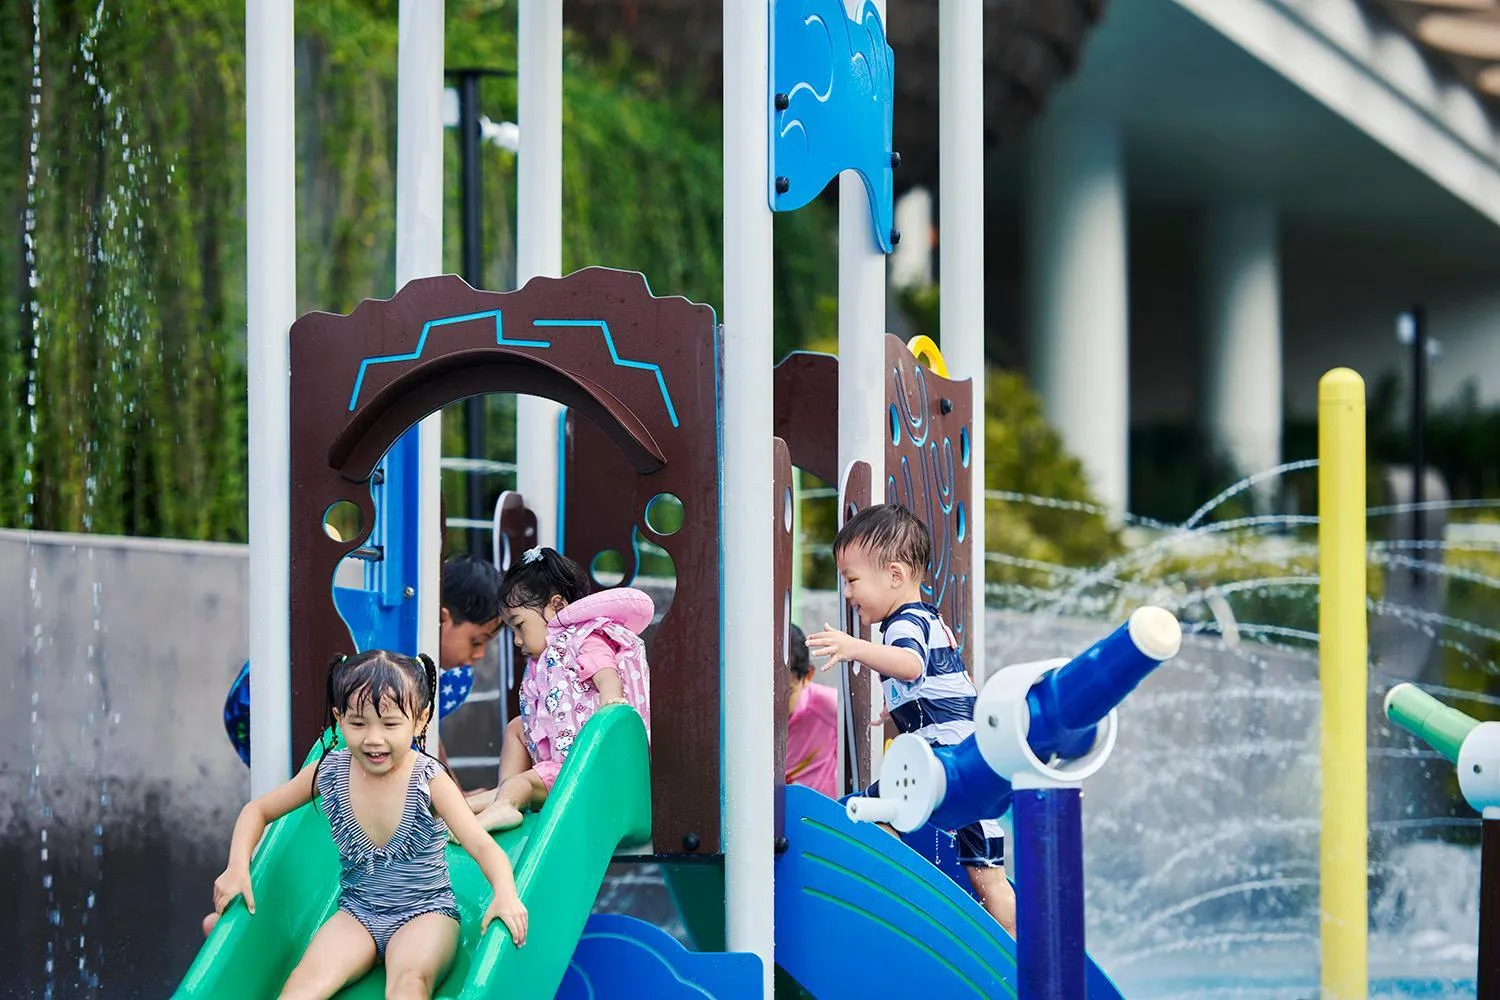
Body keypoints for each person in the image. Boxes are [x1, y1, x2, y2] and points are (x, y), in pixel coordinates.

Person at [204, 649, 528, 1000]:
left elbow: (481, 845)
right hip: (357, 912)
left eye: (390, 724)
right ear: (338, 719)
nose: (374, 738)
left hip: (425, 913)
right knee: (301, 986)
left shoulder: (429, 781)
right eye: (358, 723)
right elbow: (258, 810)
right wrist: (237, 867)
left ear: (421, 720)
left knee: (408, 985)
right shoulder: (328, 772)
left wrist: (506, 895)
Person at [807, 504, 1017, 936]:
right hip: (966, 760)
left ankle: (892, 906)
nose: (848, 593)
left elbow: (910, 664)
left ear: (896, 575)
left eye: (852, 580)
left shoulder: (905, 624)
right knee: (988, 876)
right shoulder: (931, 617)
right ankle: (1011, 957)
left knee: (868, 814)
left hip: (949, 761)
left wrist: (853, 646)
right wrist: (896, 707)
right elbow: (944, 682)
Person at [221, 555, 503, 767]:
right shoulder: (386, 655)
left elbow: (425, 736)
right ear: (442, 618)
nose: (478, 656)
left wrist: (455, 794)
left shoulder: (451, 676)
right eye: (476, 641)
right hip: (253, 708)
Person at [468, 547, 651, 832]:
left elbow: (605, 671)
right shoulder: (548, 657)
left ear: (557, 607)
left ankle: (506, 803)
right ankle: (502, 797)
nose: (517, 641)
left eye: (519, 626)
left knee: (522, 783)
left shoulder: (584, 638)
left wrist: (611, 700)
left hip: (584, 773)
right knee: (516, 728)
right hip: (557, 770)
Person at [785, 623, 838, 798]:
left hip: (818, 816)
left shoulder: (827, 706)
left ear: (808, 676)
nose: (775, 704)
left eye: (787, 692)